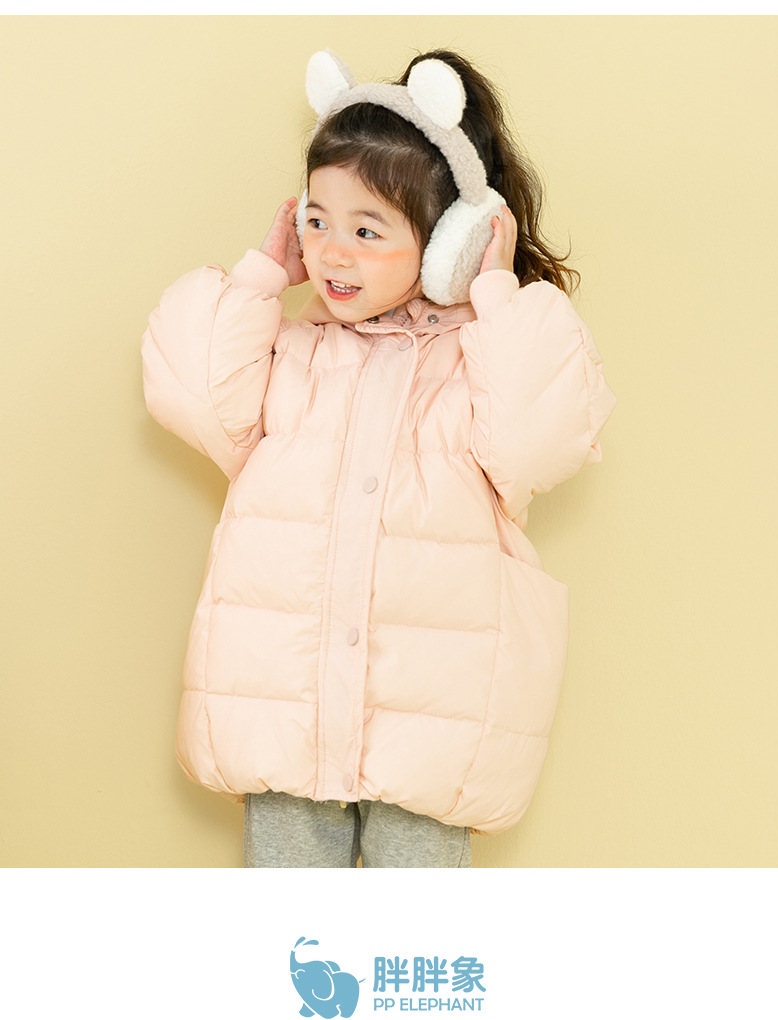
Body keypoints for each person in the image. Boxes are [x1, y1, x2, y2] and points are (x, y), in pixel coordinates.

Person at [141, 48, 616, 869]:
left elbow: (539, 440)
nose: (332, 252)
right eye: (318, 221)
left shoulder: (481, 361)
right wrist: (262, 277)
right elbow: (192, 393)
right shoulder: (293, 354)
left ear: (446, 244)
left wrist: (496, 293)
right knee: (293, 930)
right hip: (286, 708)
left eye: (367, 231)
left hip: (430, 721)